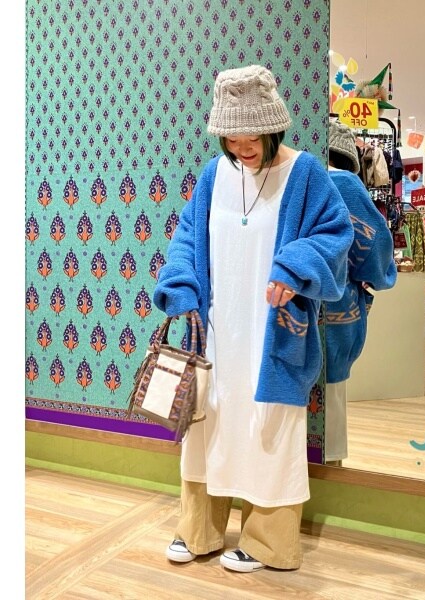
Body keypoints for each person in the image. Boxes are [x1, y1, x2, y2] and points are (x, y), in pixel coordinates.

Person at [153, 65, 354, 573]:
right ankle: (198, 530)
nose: (241, 149)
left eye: (252, 139)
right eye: (232, 139)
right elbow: (186, 238)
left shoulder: (305, 173)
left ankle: (268, 543)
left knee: (269, 431)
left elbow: (336, 235)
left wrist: (294, 268)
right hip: (216, 331)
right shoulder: (212, 176)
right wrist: (180, 286)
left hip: (275, 333)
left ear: (273, 129)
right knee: (209, 427)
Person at [324, 120, 397, 464]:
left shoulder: (282, 178)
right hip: (334, 313)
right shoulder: (345, 184)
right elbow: (376, 243)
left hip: (282, 312)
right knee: (330, 410)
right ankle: (329, 479)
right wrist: (379, 279)